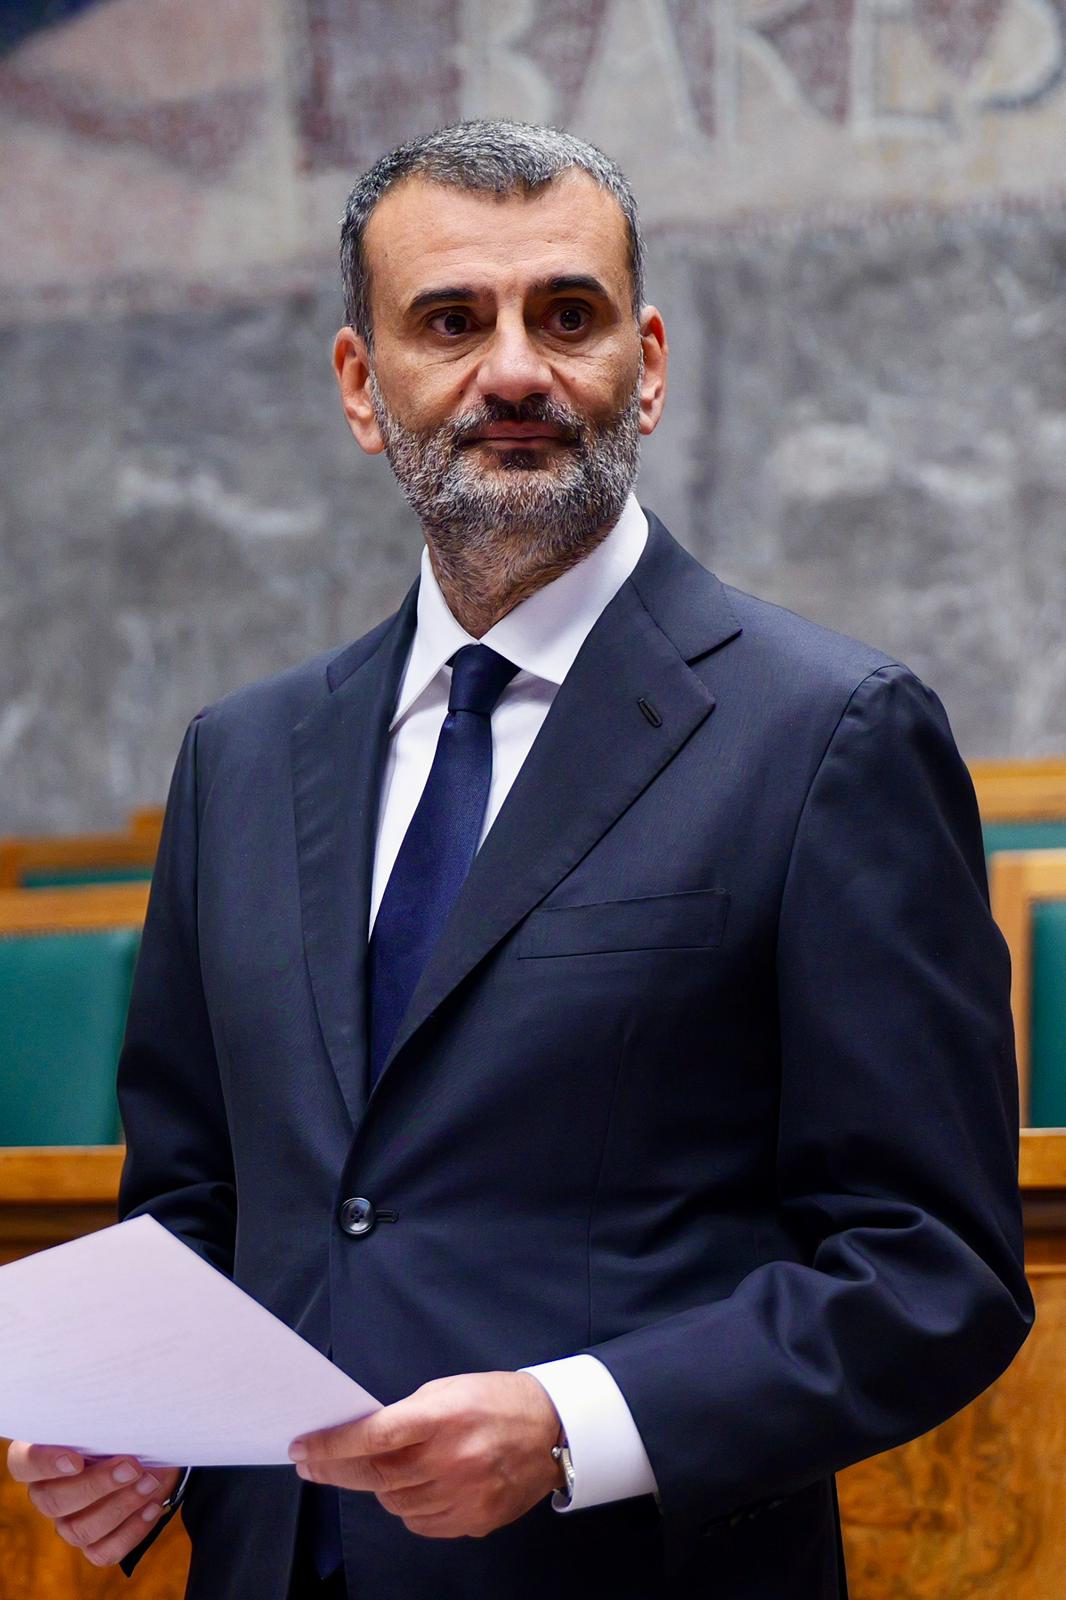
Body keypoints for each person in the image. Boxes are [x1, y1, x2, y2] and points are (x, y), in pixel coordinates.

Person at [7, 120, 1033, 1600]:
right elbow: (196, 1202)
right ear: (361, 386)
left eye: (566, 314)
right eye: (448, 321)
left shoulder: (830, 735)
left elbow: (931, 1265)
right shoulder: (240, 759)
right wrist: (131, 1421)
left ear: (646, 364)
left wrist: (573, 1426)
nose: (512, 371)